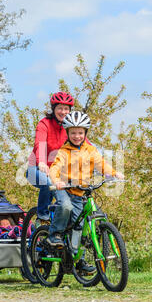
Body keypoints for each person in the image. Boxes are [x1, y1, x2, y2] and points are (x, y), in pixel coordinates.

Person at [48, 111, 124, 254]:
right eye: (73, 133)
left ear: (85, 133)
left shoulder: (90, 150)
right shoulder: (64, 151)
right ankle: (55, 235)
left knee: (79, 226)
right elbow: (55, 168)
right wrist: (57, 181)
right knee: (65, 206)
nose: (77, 136)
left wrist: (113, 173)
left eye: (80, 133)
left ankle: (78, 259)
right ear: (68, 133)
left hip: (80, 192)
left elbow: (101, 164)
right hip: (64, 189)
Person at [26, 91, 74, 225]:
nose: (63, 112)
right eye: (60, 108)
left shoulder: (71, 127)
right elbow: (39, 143)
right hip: (35, 168)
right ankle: (43, 217)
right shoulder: (45, 123)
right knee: (48, 183)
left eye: (66, 109)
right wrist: (41, 161)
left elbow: (85, 143)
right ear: (54, 109)